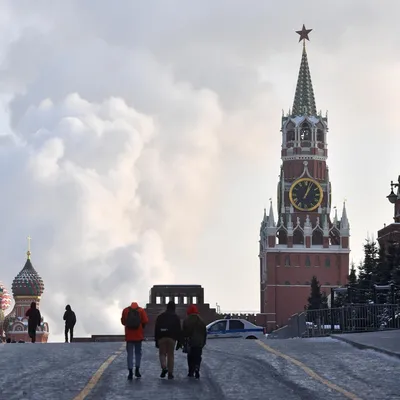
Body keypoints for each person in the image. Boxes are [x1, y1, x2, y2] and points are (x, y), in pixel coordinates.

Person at [154, 301, 183, 379]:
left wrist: (156, 340)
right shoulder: (176, 317)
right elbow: (179, 330)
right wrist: (179, 342)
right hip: (172, 338)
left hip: (161, 337)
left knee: (162, 354)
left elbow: (156, 329)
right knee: (171, 355)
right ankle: (170, 373)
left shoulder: (160, 316)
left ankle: (164, 367)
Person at [121, 302, 149, 381]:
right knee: (138, 353)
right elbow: (146, 320)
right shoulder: (141, 310)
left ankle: (130, 371)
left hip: (129, 336)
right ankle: (137, 369)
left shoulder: (125, 310)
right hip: (138, 335)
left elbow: (123, 322)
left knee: (130, 354)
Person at [182, 304, 207, 379]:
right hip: (199, 342)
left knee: (190, 357)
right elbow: (204, 333)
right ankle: (197, 367)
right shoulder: (201, 320)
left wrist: (183, 342)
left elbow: (184, 332)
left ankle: (191, 371)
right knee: (198, 356)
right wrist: (203, 342)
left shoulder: (186, 320)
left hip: (190, 342)